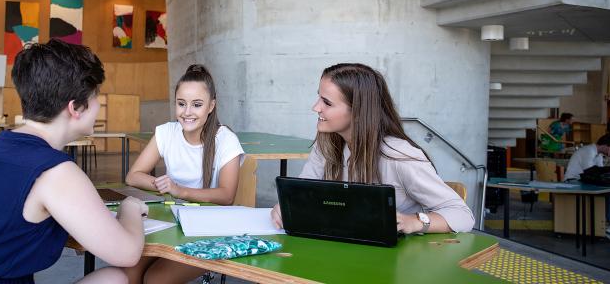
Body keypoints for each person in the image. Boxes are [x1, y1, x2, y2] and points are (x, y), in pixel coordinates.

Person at [0, 39, 146, 284]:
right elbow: (127, 253)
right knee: (116, 279)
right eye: (96, 97)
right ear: (75, 108)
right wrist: (130, 207)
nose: (97, 105)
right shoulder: (55, 171)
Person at [271, 63, 475, 234]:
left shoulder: (399, 155)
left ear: (358, 112)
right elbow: (302, 194)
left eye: (327, 102)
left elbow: (463, 215)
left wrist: (414, 222)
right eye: (319, 98)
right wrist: (286, 207)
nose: (315, 107)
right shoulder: (326, 144)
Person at [124, 64, 244, 284]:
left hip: (210, 230)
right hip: (172, 223)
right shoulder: (166, 132)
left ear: (211, 106)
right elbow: (133, 176)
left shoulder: (225, 139)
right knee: (129, 271)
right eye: (181, 104)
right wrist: (163, 184)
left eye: (197, 105)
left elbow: (227, 195)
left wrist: (179, 190)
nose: (187, 112)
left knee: (155, 279)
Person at [564, 134, 610, 238]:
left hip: (583, 180)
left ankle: (604, 222)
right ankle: (606, 223)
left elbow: (600, 173)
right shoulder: (588, 151)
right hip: (573, 181)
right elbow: (590, 171)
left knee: (607, 190)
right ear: (606, 145)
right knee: (607, 192)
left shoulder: (598, 155)